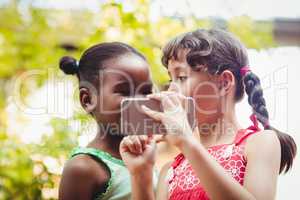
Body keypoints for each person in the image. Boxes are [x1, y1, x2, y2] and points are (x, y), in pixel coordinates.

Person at [120, 29, 297, 200]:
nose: (171, 89)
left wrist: (186, 142)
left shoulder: (260, 143)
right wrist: (140, 174)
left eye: (181, 77)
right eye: (170, 79)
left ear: (224, 82)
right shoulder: (171, 169)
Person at [58, 42, 155, 200]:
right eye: (125, 91)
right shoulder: (83, 168)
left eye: (146, 91)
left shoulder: (147, 157)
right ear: (88, 100)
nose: (139, 101)